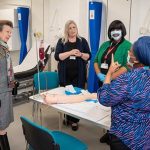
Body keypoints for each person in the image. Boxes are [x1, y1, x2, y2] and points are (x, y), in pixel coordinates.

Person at [98, 36, 150, 150]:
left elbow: (104, 98)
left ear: (136, 59)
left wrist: (109, 74)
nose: (128, 52)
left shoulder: (127, 79)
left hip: (124, 139)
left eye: (130, 51)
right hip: (145, 137)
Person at [94, 20, 132, 143]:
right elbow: (95, 60)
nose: (115, 32)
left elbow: (127, 66)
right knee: (106, 106)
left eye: (117, 29)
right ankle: (109, 131)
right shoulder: (105, 44)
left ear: (122, 31)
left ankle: (114, 134)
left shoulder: (128, 45)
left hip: (118, 82)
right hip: (103, 80)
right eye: (112, 30)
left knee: (117, 109)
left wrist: (110, 76)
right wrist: (99, 74)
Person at [55, 20, 91, 131]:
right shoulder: (61, 41)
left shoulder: (82, 41)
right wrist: (70, 53)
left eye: (74, 27)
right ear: (67, 30)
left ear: (77, 28)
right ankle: (66, 116)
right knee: (66, 97)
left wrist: (80, 54)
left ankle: (74, 121)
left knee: (76, 98)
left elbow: (88, 56)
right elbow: (57, 56)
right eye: (70, 28)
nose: (72, 30)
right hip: (65, 75)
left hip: (79, 75)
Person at [0, 20, 14, 150]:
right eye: (7, 31)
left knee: (2, 125)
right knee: (2, 126)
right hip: (1, 92)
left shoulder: (4, 48)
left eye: (11, 32)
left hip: (5, 90)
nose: (9, 34)